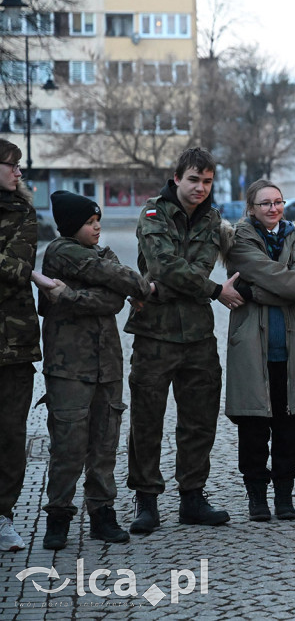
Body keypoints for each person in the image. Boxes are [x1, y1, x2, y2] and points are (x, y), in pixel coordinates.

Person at [125, 146, 244, 532]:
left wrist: (170, 284)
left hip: (197, 336)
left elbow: (188, 270)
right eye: (194, 179)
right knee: (147, 420)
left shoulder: (212, 220)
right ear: (177, 178)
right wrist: (210, 289)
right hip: (154, 334)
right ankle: (146, 502)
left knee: (199, 421)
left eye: (207, 181)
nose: (200, 188)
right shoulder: (153, 212)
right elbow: (163, 266)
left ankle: (192, 497)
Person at [38, 191, 151, 549]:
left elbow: (116, 297)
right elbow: (126, 284)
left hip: (107, 366)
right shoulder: (60, 251)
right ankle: (58, 517)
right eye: (90, 222)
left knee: (104, 446)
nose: (98, 227)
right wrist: (119, 289)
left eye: (98, 220)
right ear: (73, 226)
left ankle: (102, 514)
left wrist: (70, 296)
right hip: (69, 366)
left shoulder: (104, 253)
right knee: (68, 448)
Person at [225, 179, 295, 521]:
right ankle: (257, 496)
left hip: (294, 346)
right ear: (251, 208)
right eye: (265, 203)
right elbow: (291, 284)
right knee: (253, 426)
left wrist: (255, 292)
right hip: (253, 348)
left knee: (291, 426)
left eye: (278, 202)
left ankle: (284, 494)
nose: (274, 209)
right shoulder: (238, 239)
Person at [0, 139, 56, 552]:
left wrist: (29, 275)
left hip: (11, 342)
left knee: (8, 433)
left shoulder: (23, 212)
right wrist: (29, 276)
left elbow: (12, 267)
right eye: (12, 165)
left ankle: (2, 517)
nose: (19, 172)